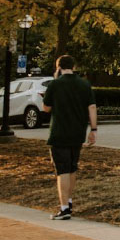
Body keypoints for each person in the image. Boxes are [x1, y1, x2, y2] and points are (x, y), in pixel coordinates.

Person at [41, 55, 97, 220]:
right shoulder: (84, 84)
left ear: (58, 67)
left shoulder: (55, 84)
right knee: (72, 167)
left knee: (62, 170)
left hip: (59, 133)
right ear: (73, 66)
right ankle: (70, 201)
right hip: (78, 132)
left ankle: (64, 208)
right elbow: (92, 107)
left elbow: (46, 108)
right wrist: (93, 129)